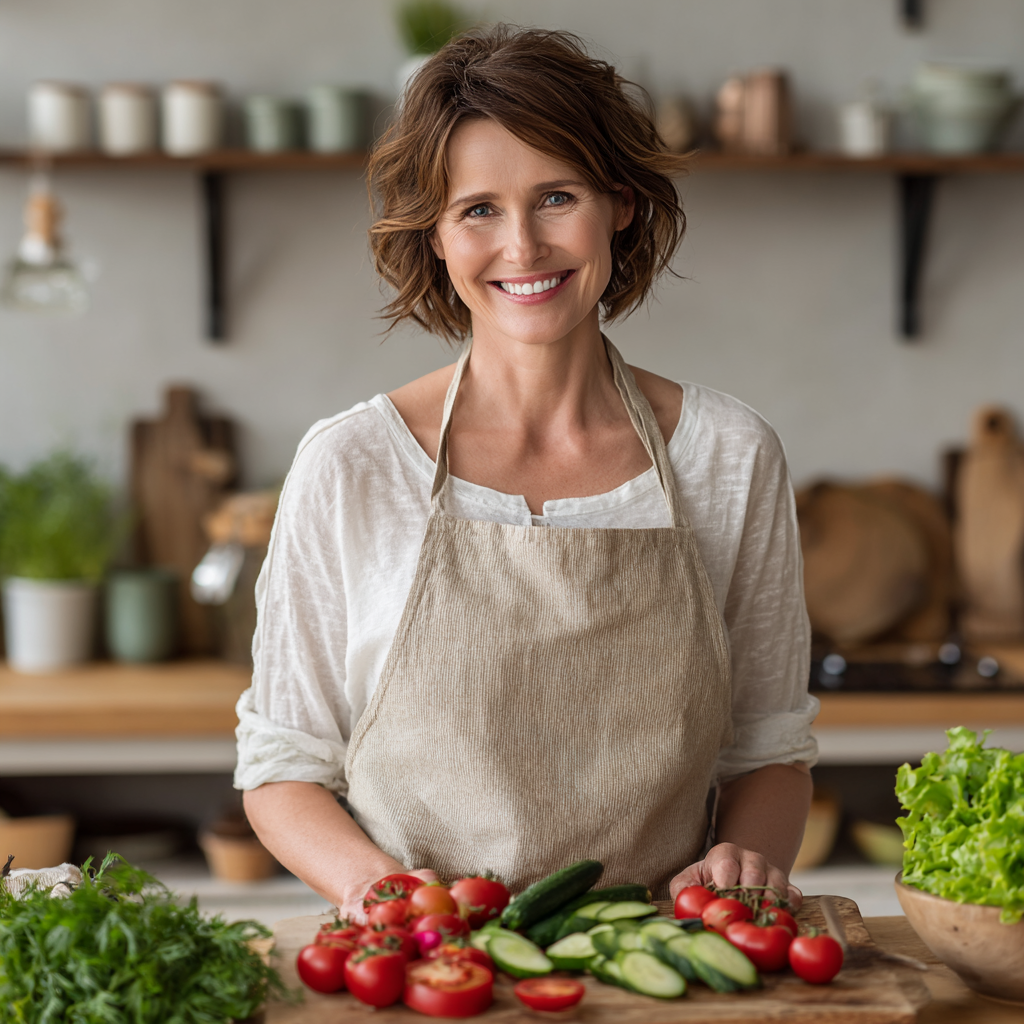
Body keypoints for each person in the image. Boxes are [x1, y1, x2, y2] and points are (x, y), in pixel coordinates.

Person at [235, 26, 818, 921]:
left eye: (556, 196)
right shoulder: (351, 465)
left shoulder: (729, 456)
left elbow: (770, 751)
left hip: (669, 962)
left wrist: (746, 860)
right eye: (477, 209)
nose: (523, 246)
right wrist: (380, 894)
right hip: (426, 968)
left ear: (620, 204)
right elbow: (282, 768)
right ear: (434, 234)